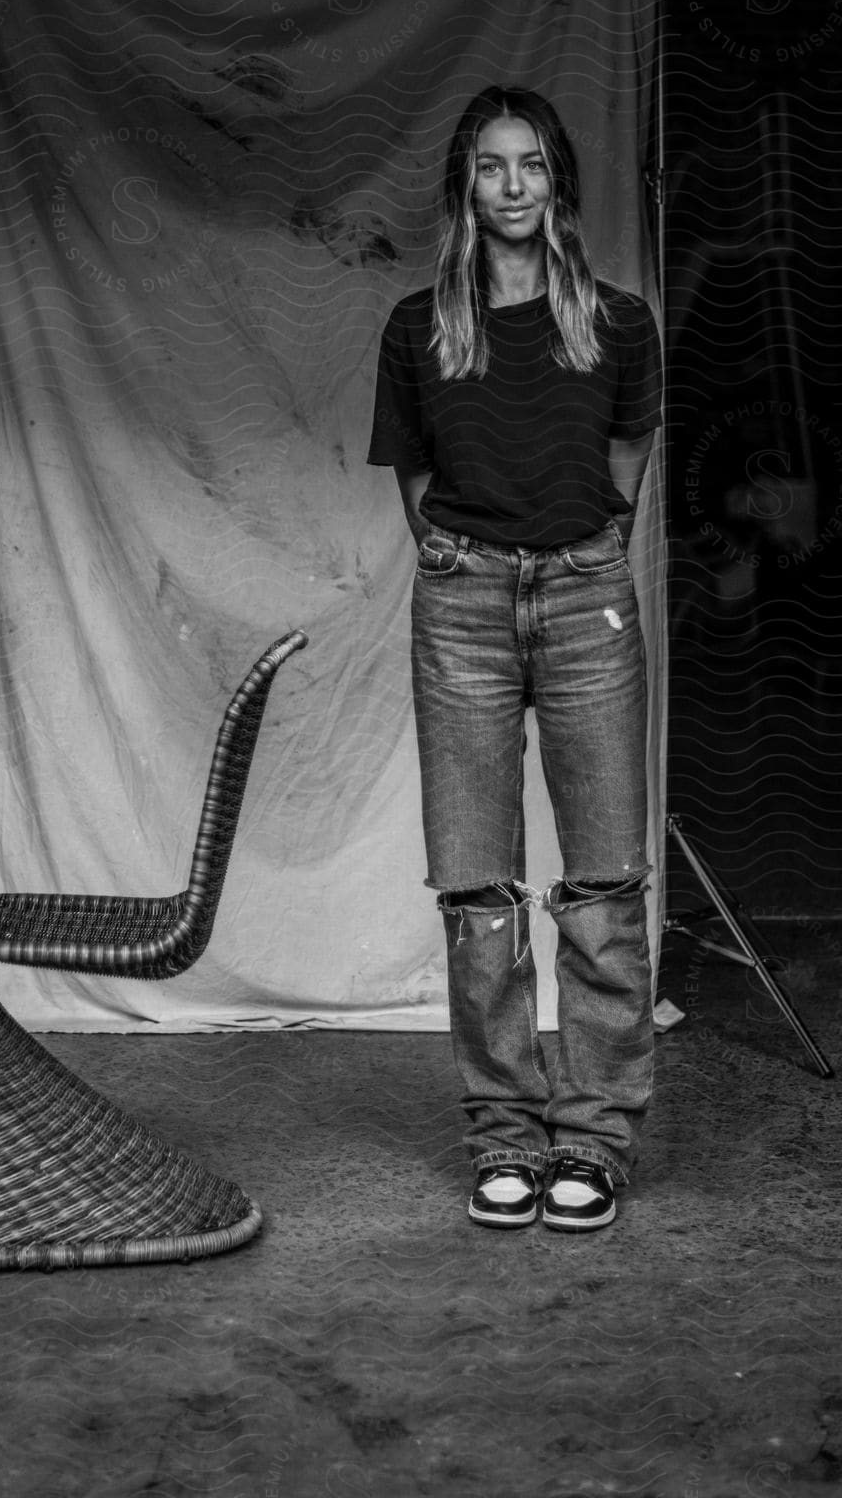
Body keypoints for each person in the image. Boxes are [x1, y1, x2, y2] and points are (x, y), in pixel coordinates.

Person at [367, 85, 661, 1232]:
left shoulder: (618, 320)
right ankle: (503, 1132)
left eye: (531, 165)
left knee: (602, 880)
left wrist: (593, 548)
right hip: (465, 606)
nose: (512, 186)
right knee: (477, 884)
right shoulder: (418, 324)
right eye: (491, 167)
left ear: (559, 182)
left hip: (588, 601)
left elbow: (629, 445)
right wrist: (463, 560)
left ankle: (591, 1140)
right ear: (465, 186)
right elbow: (413, 477)